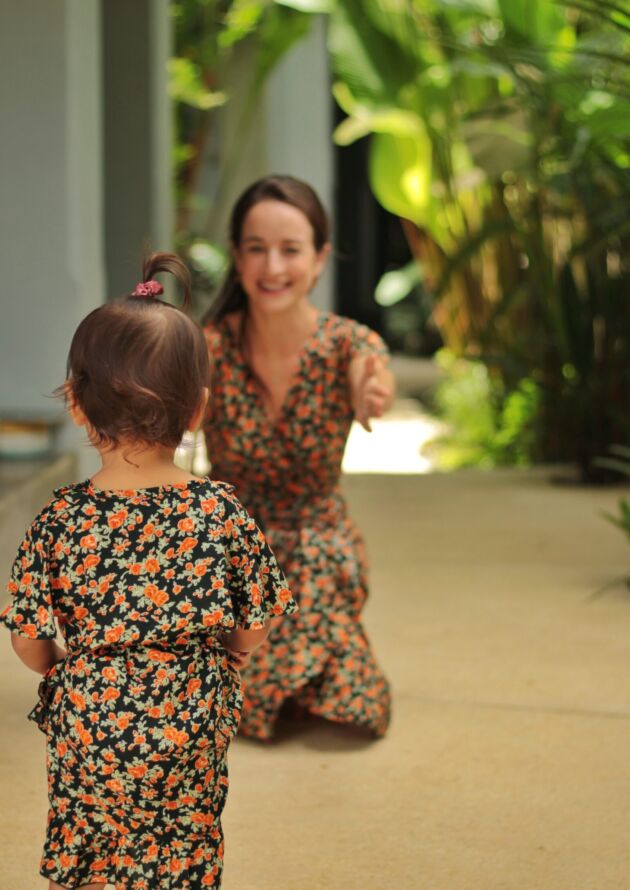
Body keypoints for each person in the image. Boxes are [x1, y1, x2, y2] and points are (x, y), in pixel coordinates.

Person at [1, 253, 297, 890]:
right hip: (191, 714)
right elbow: (260, 618)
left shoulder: (59, 517)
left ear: (77, 405)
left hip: (89, 718)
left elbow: (27, 638)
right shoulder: (219, 510)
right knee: (185, 841)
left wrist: (66, 666)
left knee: (84, 836)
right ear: (199, 410)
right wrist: (225, 649)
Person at [202, 174, 394, 741]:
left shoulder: (346, 343)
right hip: (229, 541)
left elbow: (371, 369)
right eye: (257, 248)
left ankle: (290, 680)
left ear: (319, 259)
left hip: (316, 538)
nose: (273, 267)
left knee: (355, 703)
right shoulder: (206, 347)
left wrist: (369, 390)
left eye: (290, 250)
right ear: (237, 257)